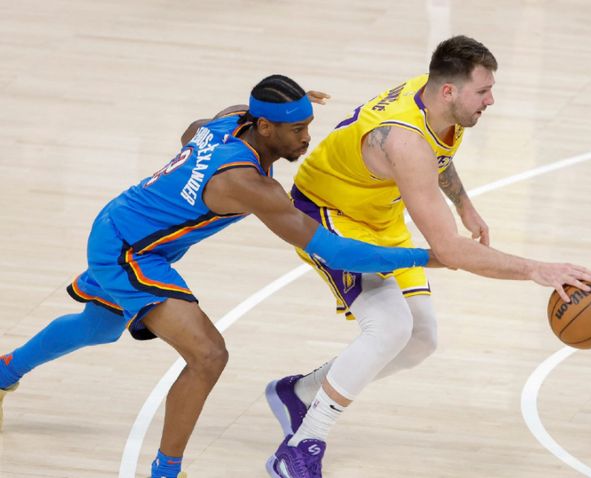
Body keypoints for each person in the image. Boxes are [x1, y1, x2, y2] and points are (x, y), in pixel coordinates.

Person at [0, 75, 443, 478]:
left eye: (308, 125)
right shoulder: (249, 185)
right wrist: (427, 256)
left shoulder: (229, 122)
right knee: (208, 355)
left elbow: (193, 129)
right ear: (264, 127)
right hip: (128, 251)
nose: (307, 138)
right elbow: (334, 250)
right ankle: (165, 472)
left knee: (98, 326)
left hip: (126, 226)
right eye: (296, 129)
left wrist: (282, 107)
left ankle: (4, 372)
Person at [264, 36, 591, 478]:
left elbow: (436, 156)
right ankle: (301, 445)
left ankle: (299, 393)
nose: (491, 100)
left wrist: (463, 204)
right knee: (389, 328)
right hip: (328, 214)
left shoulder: (437, 102)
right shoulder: (404, 139)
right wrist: (538, 270)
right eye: (483, 91)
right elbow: (449, 249)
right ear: (449, 91)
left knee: (420, 339)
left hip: (378, 215)